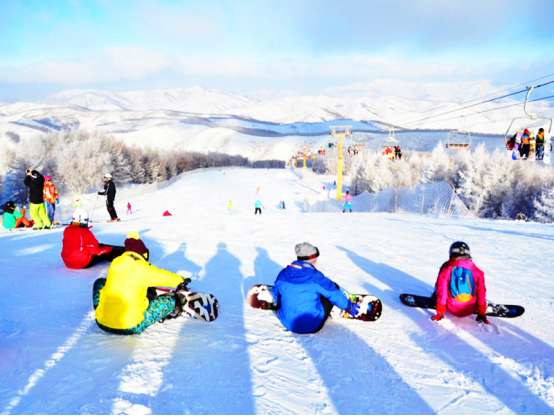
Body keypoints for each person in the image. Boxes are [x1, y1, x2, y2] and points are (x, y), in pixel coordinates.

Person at [93, 231, 191, 335]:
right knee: (169, 301)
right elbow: (163, 276)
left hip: (102, 321)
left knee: (100, 282)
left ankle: (101, 308)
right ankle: (176, 302)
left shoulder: (115, 263)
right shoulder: (141, 267)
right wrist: (180, 279)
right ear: (143, 254)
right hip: (130, 326)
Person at [271, 242, 359, 334]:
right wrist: (348, 306)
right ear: (312, 260)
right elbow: (333, 293)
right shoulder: (316, 278)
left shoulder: (283, 274)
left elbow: (276, 294)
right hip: (311, 325)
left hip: (287, 322)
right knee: (332, 287)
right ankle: (336, 310)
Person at [431, 241, 489, 324]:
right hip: (470, 309)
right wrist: (481, 312)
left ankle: (436, 299)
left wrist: (440, 311)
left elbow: (442, 291)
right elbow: (481, 292)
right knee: (478, 290)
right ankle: (479, 304)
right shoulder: (477, 271)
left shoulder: (447, 269)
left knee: (441, 287)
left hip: (451, 308)